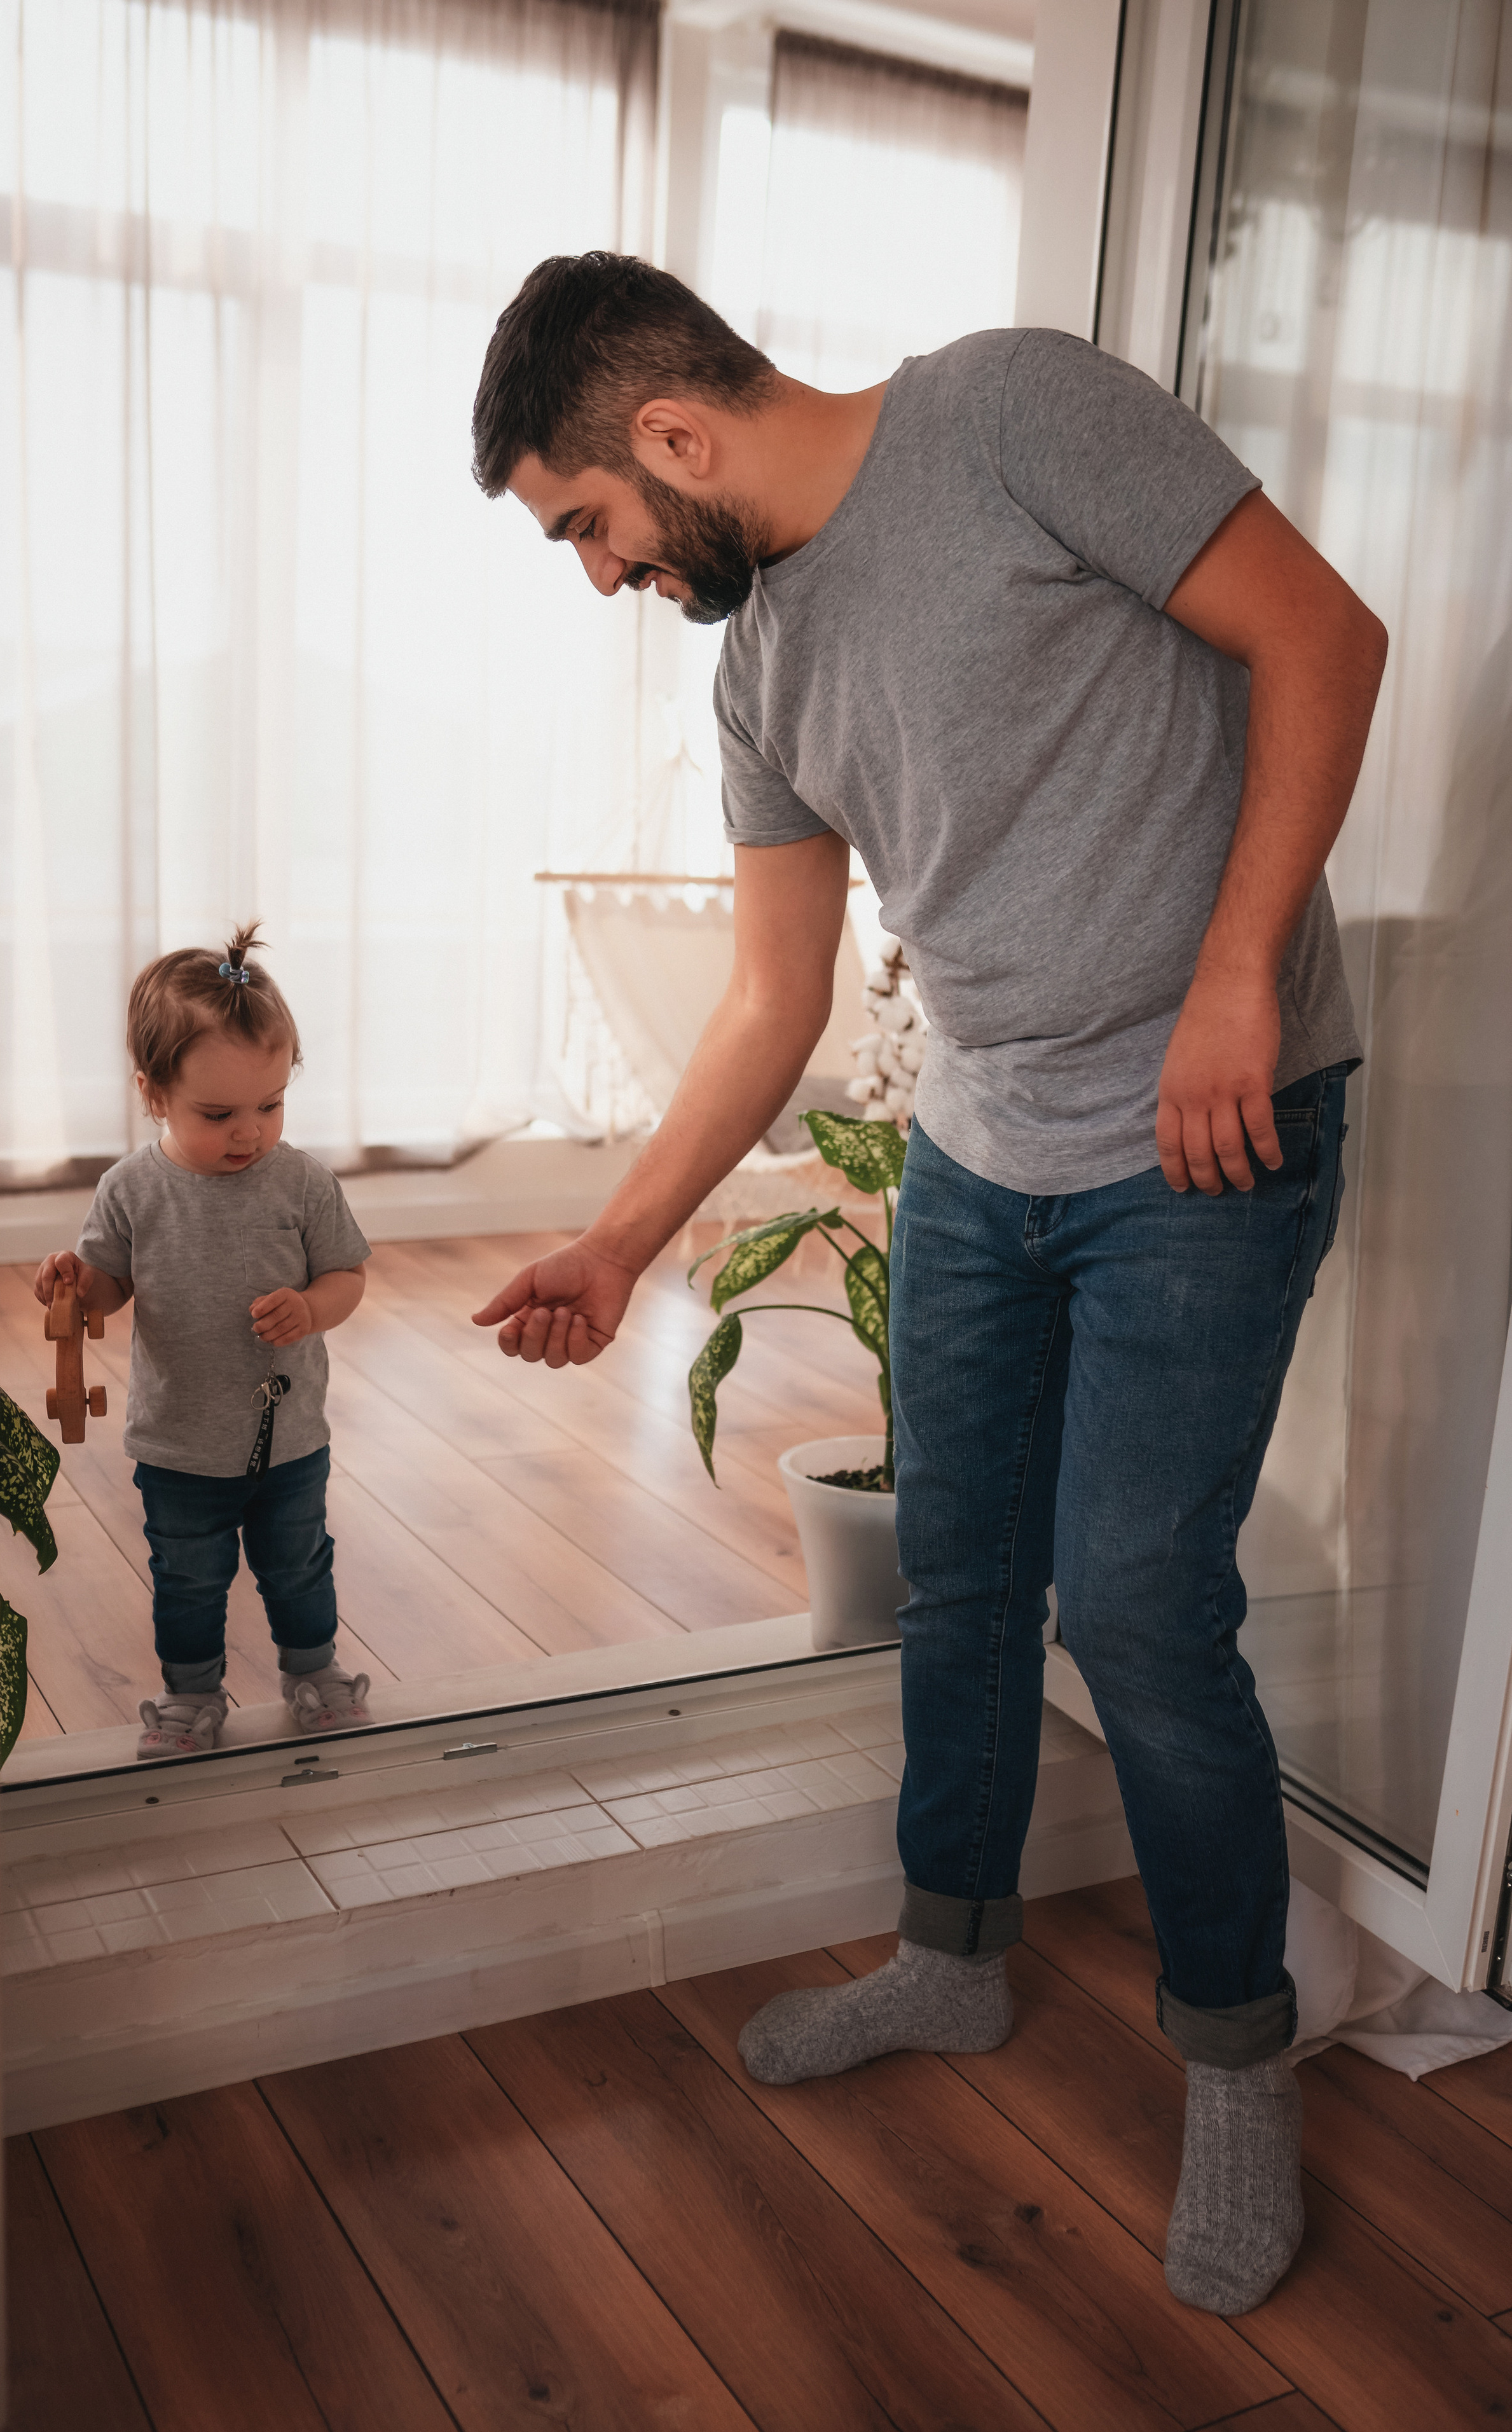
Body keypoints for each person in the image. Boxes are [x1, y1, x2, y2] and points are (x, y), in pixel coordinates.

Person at [467, 252, 1385, 2316]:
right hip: (985, 1151)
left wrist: (1240, 974)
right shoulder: (757, 674)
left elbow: (1324, 639)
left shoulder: (1011, 417)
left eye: (588, 525)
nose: (602, 571)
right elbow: (774, 996)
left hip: (1208, 1132)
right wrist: (621, 1241)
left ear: (673, 439)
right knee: (961, 1572)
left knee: (1141, 1602)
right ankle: (950, 1957)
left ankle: (1237, 2055)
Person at [34, 925, 374, 1759]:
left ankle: (315, 1672)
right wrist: (78, 1286)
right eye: (217, 1113)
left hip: (288, 1440)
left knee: (298, 1564)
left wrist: (311, 1307)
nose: (250, 1132)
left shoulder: (303, 1182)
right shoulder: (131, 1190)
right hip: (180, 1443)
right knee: (190, 1580)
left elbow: (348, 1277)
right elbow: (110, 1289)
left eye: (271, 1104)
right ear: (153, 1095)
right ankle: (190, 1696)